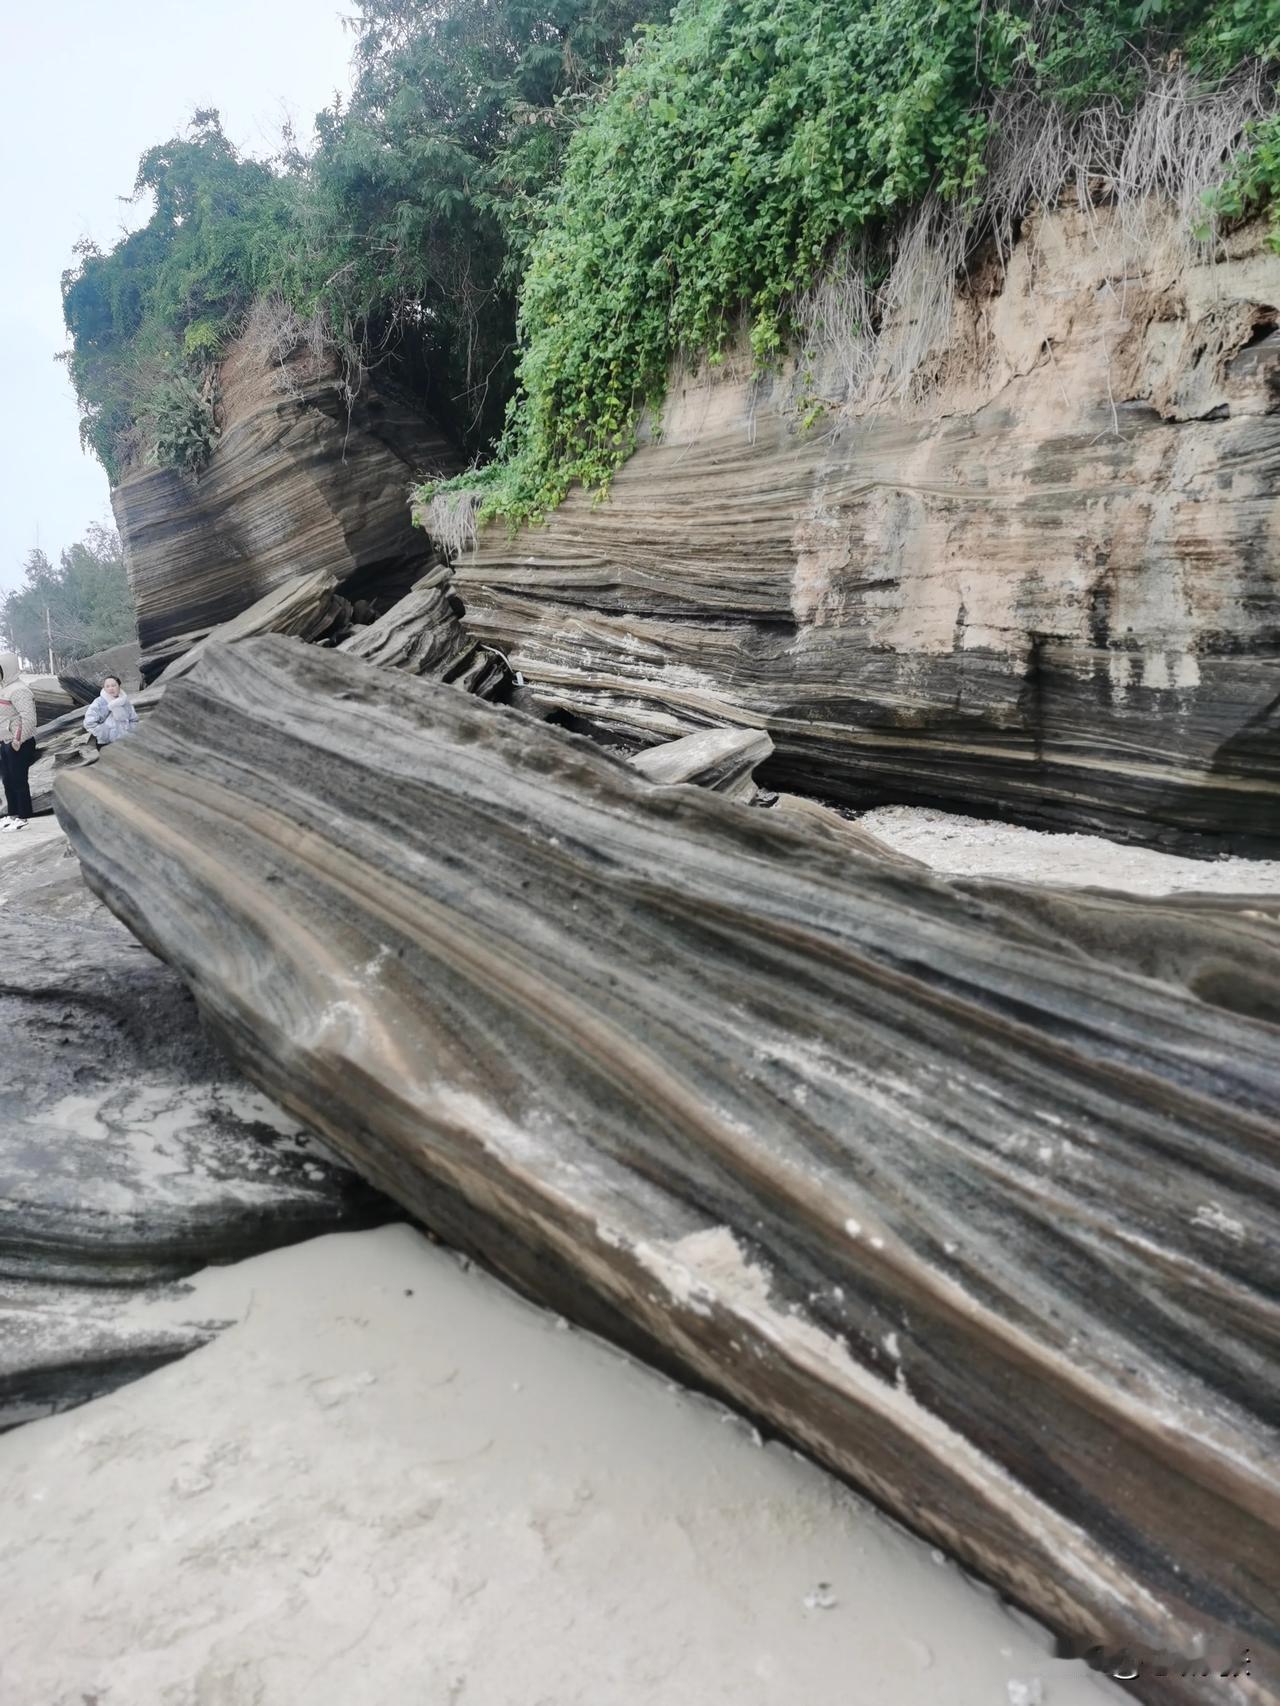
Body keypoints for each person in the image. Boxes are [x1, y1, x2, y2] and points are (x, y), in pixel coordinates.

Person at [0, 652, 38, 832]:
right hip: (5, 741)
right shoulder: (4, 688)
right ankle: (13, 814)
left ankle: (24, 816)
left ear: (7, 669)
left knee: (19, 780)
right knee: (7, 779)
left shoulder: (19, 689)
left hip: (18, 743)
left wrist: (18, 740)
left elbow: (28, 718)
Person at [83, 675, 139, 748]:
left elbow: (134, 719)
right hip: (106, 743)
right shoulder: (99, 702)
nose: (111, 688)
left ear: (119, 686)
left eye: (113, 685)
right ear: (104, 688)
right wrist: (104, 734)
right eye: (107, 686)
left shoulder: (125, 702)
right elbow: (89, 722)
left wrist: (129, 732)